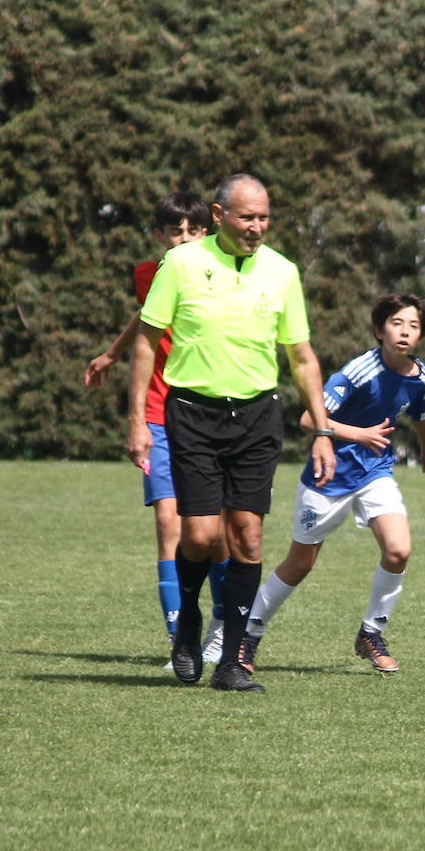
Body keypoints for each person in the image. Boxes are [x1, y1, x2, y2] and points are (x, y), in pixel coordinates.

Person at [125, 173, 335, 694]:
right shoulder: (181, 264)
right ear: (219, 217)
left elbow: (302, 356)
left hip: (257, 417)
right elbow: (147, 344)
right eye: (247, 217)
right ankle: (189, 628)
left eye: (264, 218)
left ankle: (233, 662)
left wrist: (324, 431)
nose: (257, 227)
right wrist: (136, 422)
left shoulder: (283, 271)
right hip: (192, 413)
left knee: (247, 534)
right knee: (200, 535)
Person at [238, 293, 425, 680]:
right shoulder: (359, 371)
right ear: (380, 329)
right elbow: (308, 420)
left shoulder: (421, 376)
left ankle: (371, 633)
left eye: (414, 326)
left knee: (398, 550)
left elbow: (421, 412)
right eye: (397, 323)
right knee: (300, 564)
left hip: (375, 473)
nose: (405, 331)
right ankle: (249, 633)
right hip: (328, 475)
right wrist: (359, 434)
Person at [85, 192, 229, 668]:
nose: (183, 239)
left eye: (192, 231)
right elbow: (147, 320)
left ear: (206, 233)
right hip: (157, 413)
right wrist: (113, 354)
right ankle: (180, 637)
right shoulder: (151, 274)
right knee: (169, 524)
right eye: (174, 232)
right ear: (159, 236)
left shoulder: (224, 273)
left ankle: (226, 627)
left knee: (213, 533)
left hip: (207, 411)